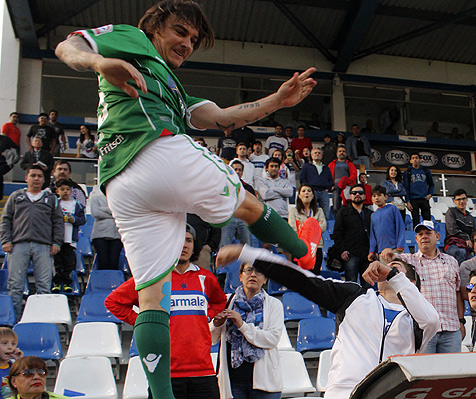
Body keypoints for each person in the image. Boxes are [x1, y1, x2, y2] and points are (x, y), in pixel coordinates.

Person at [54, 2, 316, 396]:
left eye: (193, 39)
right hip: (152, 150)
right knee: (246, 202)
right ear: (155, 26)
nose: (187, 44)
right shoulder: (133, 39)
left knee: (152, 296)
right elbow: (67, 46)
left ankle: (161, 395)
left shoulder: (176, 93)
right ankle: (304, 250)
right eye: (180, 32)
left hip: (119, 184)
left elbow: (225, 117)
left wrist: (277, 102)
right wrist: (97, 62)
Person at [215, 244, 438, 399]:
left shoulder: (416, 318)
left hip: (394, 393)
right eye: (386, 268)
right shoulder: (355, 297)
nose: (386, 271)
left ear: (409, 283)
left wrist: (393, 276)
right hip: (346, 392)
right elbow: (302, 280)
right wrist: (247, 253)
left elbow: (431, 321)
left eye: (395, 270)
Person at [106, 225, 226, 399]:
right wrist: (146, 323)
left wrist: (207, 315)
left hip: (203, 371)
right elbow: (113, 302)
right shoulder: (152, 277)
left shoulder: (206, 278)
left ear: (194, 246)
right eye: (179, 240)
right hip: (165, 373)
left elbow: (220, 301)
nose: (184, 245)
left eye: (189, 240)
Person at [382, 220, 464, 354]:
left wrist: (461, 321)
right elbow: (393, 258)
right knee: (425, 373)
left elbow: (458, 293)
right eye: (420, 234)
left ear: (437, 236)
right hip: (424, 330)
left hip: (452, 328)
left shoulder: (452, 261)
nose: (424, 236)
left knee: (452, 372)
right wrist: (389, 253)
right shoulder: (409, 260)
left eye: (428, 233)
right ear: (416, 239)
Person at [210, 260, 284, 399]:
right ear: (240, 276)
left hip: (265, 382)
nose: (253, 275)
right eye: (249, 270)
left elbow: (272, 339)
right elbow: (210, 338)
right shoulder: (226, 301)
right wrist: (216, 323)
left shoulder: (274, 304)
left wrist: (242, 325)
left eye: (259, 272)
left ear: (265, 279)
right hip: (233, 382)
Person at [1, 166, 63, 317]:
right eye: (33, 175)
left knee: (44, 286)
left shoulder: (51, 199)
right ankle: (12, 322)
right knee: (15, 286)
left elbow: (58, 222)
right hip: (18, 245)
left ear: (44, 179)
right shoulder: (16, 196)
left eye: (39, 176)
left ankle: (40, 320)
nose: (36, 179)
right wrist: (6, 240)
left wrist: (56, 243)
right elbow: (6, 219)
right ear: (26, 178)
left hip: (43, 246)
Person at [332, 185, 372, 287]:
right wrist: (342, 250)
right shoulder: (343, 212)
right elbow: (337, 233)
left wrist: (374, 251)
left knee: (368, 286)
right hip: (350, 254)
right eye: (354, 193)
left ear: (364, 196)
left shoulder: (370, 214)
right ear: (350, 196)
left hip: (367, 255)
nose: (357, 195)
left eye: (360, 193)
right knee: (351, 285)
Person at [51, 179, 86, 293]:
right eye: (62, 189)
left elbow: (82, 220)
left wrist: (74, 219)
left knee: (69, 262)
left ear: (71, 191)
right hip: (57, 239)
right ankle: (56, 282)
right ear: (57, 191)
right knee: (57, 262)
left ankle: (67, 282)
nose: (65, 192)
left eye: (67, 189)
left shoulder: (77, 205)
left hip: (70, 239)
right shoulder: (55, 204)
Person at [289, 184, 327, 274]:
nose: (306, 193)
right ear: (299, 195)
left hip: (316, 247)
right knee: (300, 277)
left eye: (309, 191)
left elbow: (323, 227)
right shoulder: (293, 211)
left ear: (313, 195)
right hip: (299, 247)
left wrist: (303, 227)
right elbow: (293, 228)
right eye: (303, 191)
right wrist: (313, 228)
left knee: (314, 277)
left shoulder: (319, 211)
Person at [219, 161, 254, 249]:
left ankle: (248, 263)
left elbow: (254, 205)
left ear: (242, 172)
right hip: (229, 218)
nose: (237, 172)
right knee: (224, 246)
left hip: (244, 219)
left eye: (240, 170)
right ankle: (221, 263)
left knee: (248, 247)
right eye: (235, 169)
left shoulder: (248, 188)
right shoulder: (223, 186)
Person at [88, 183, 123, 270]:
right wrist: (112, 213)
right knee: (103, 261)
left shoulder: (120, 198)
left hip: (116, 234)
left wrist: (103, 209)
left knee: (114, 262)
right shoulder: (95, 196)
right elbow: (95, 213)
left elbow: (122, 212)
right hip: (100, 234)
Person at [368, 185, 405, 261]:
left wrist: (400, 246)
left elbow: (400, 227)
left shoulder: (392, 208)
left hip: (394, 249)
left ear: (385, 197)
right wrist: (372, 251)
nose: (377, 198)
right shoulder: (373, 215)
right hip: (381, 252)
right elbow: (373, 235)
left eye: (379, 195)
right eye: (374, 196)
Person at [299, 147, 334, 219]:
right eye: (315, 153)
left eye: (319, 153)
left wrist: (328, 188)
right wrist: (307, 189)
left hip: (323, 192)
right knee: (310, 212)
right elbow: (302, 178)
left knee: (325, 214)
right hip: (311, 191)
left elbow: (330, 179)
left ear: (322, 155)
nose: (317, 154)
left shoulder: (326, 168)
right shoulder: (307, 167)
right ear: (311, 155)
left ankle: (325, 229)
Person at [443, 189, 475, 265]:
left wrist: (472, 250)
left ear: (467, 200)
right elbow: (452, 230)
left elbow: (473, 235)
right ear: (454, 201)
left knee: (474, 260)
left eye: (463, 199)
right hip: (452, 245)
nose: (461, 201)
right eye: (458, 199)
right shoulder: (451, 212)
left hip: (467, 247)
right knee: (461, 252)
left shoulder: (471, 218)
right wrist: (466, 238)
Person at [404, 153, 434, 225]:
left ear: (420, 160)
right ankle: (416, 235)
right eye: (413, 158)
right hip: (413, 199)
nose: (415, 160)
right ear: (411, 161)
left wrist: (430, 194)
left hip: (424, 198)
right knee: (415, 220)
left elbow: (431, 184)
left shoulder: (426, 170)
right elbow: (406, 187)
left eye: (416, 158)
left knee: (427, 220)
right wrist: (407, 201)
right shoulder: (408, 172)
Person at [328, 145, 357, 214]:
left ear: (346, 153)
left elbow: (354, 174)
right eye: (340, 151)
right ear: (337, 153)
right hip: (335, 186)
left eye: (343, 151)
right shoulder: (331, 164)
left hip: (347, 186)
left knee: (348, 205)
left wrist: (347, 181)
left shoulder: (350, 164)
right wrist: (330, 185)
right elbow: (328, 176)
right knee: (335, 206)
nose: (342, 153)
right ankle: (336, 222)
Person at [0, 328, 22, 398]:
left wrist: (19, 361)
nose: (10, 347)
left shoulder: (14, 366)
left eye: (13, 344)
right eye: (4, 343)